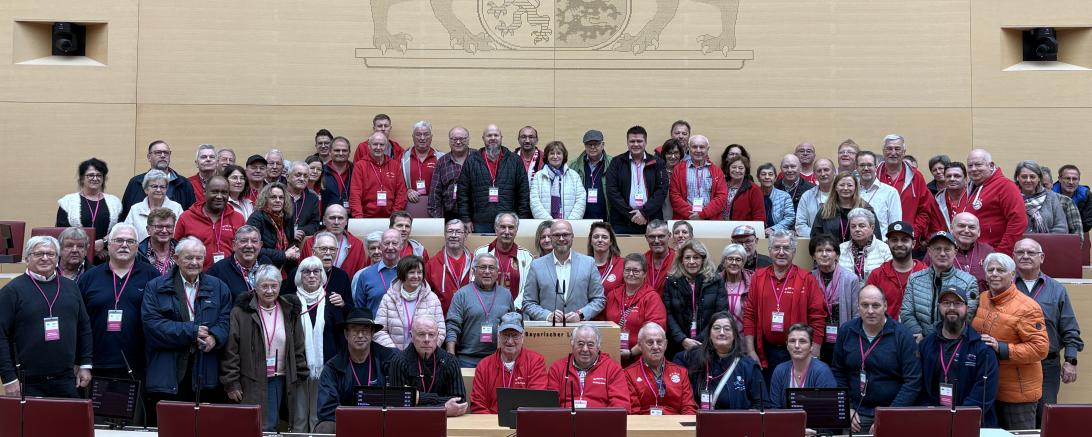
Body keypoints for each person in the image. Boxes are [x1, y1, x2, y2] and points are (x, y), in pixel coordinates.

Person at [142, 238, 232, 426]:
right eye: (189, 257)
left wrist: (215, 337)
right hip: (169, 373)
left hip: (205, 372)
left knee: (202, 428)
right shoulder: (156, 287)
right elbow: (152, 326)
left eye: (199, 258)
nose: (194, 262)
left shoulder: (218, 287)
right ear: (176, 258)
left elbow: (226, 320)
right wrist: (192, 331)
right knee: (170, 428)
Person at [0, 236, 92, 398]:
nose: (45, 258)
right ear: (27, 258)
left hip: (67, 378)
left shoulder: (71, 287)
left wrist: (85, 364)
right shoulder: (11, 291)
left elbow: (84, 328)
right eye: (38, 254)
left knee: (69, 423)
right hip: (27, 381)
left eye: (50, 254)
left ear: (57, 258)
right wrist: (8, 378)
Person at [221, 265, 309, 432]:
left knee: (276, 424)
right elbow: (231, 349)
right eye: (264, 286)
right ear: (255, 287)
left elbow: (298, 345)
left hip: (281, 379)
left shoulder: (289, 310)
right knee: (254, 426)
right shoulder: (241, 312)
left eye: (274, 285)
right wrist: (231, 382)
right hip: (251, 380)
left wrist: (300, 374)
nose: (269, 290)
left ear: (280, 286)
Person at [77, 224, 160, 392]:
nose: (124, 245)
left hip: (139, 364)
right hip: (96, 363)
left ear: (137, 246)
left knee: (136, 417)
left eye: (130, 241)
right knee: (97, 417)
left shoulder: (152, 276)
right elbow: (78, 323)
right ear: (108, 245)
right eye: (119, 240)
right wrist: (81, 362)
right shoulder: (89, 277)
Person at [972, 253, 1049, 430]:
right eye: (990, 270)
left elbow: (1040, 348)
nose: (994, 274)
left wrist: (1002, 348)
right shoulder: (983, 298)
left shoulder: (1027, 307)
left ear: (1012, 275)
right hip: (989, 388)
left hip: (1017, 395)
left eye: (1001, 270)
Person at [1011, 238, 1084, 426]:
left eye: (1031, 252)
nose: (1025, 256)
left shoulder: (1056, 289)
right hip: (1013, 365)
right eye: (1020, 252)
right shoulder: (1005, 287)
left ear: (1042, 257)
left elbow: (1070, 328)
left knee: (1045, 416)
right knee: (1017, 419)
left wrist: (1070, 360)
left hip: (1047, 366)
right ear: (1013, 256)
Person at [831, 285, 922, 435]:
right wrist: (846, 406)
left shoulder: (902, 335)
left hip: (893, 410)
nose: (870, 311)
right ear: (858, 306)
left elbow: (913, 382)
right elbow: (838, 372)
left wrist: (889, 415)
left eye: (876, 305)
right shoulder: (846, 331)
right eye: (865, 305)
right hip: (856, 414)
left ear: (885, 306)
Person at [744, 230, 826, 379]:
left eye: (786, 248)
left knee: (794, 395)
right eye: (776, 248)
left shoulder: (806, 278)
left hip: (799, 352)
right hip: (767, 352)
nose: (781, 252)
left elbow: (817, 317)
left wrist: (815, 349)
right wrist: (750, 351)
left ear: (793, 251)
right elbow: (749, 315)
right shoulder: (758, 277)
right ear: (769, 251)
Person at [917, 286, 999, 427]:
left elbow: (983, 394)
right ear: (938, 307)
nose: (952, 307)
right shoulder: (926, 345)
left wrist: (957, 419)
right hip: (934, 421)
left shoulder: (982, 348)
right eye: (946, 303)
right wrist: (932, 416)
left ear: (967, 308)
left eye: (958, 303)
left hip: (971, 424)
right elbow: (920, 387)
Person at [287, 255, 351, 431]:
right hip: (298, 366)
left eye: (317, 271)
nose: (312, 275)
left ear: (322, 275)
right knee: (299, 416)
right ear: (299, 275)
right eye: (306, 272)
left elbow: (340, 335)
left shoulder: (332, 300)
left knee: (319, 415)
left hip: (326, 367)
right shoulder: (290, 302)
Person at [314, 307, 396, 433]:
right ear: (346, 334)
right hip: (346, 422)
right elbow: (326, 410)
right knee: (324, 427)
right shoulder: (333, 368)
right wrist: (356, 420)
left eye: (365, 330)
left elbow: (400, 398)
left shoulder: (389, 360)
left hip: (381, 419)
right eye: (355, 330)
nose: (360, 335)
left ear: (372, 333)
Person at [674, 312, 767, 410]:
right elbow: (677, 360)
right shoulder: (696, 357)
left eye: (727, 329)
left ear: (735, 335)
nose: (722, 332)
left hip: (736, 423)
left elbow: (762, 404)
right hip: (702, 422)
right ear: (709, 334)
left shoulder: (749, 366)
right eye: (716, 328)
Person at [522, 220, 607, 322]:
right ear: (551, 238)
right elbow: (528, 302)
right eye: (557, 235)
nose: (561, 239)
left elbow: (599, 299)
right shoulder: (536, 265)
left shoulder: (588, 263)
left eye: (565, 234)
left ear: (572, 237)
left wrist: (581, 314)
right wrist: (547, 316)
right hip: (548, 332)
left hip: (580, 332)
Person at [901, 231, 979, 340]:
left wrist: (926, 335)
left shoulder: (969, 281)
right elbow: (906, 313)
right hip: (918, 343)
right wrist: (918, 335)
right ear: (929, 251)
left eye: (947, 249)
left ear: (955, 252)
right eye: (937, 249)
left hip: (952, 344)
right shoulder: (914, 279)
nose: (942, 253)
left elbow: (965, 316)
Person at [387, 316, 468, 416]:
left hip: (445, 422)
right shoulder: (399, 362)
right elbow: (399, 404)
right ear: (411, 336)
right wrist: (443, 408)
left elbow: (460, 402)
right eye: (421, 334)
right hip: (408, 421)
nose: (427, 339)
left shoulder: (450, 361)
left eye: (431, 334)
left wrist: (418, 397)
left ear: (438, 336)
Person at [457, 124, 532, 232]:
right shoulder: (471, 161)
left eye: (496, 135)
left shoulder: (515, 160)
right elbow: (463, 193)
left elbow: (523, 193)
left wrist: (522, 219)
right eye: (489, 135)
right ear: (483, 138)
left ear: (501, 138)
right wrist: (465, 219)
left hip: (508, 223)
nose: (493, 138)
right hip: (479, 222)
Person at [470, 312, 548, 414]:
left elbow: (537, 400)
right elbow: (477, 404)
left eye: (515, 335)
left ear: (523, 337)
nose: (510, 341)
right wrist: (493, 426)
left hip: (524, 424)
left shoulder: (535, 362)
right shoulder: (484, 365)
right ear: (498, 336)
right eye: (506, 335)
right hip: (491, 424)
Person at [662, 240, 729, 358]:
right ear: (681, 260)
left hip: (708, 344)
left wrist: (700, 341)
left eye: (696, 257)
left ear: (703, 259)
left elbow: (720, 314)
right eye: (687, 257)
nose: (691, 262)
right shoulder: (671, 281)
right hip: (678, 345)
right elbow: (668, 314)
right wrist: (682, 339)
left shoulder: (716, 280)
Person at [445, 254, 514, 366]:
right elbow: (452, 326)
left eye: (491, 268)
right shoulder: (461, 294)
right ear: (474, 271)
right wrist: (451, 356)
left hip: (498, 359)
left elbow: (512, 327)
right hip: (467, 359)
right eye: (482, 267)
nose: (487, 271)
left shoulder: (506, 295)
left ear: (497, 272)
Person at [371, 255, 445, 351]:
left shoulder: (432, 298)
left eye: (419, 272)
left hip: (423, 358)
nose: (416, 276)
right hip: (394, 358)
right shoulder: (388, 299)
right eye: (411, 272)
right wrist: (395, 353)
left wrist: (427, 350)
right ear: (402, 274)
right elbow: (379, 331)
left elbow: (441, 331)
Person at [605, 125, 669, 234]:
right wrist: (632, 215)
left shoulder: (658, 163)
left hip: (651, 220)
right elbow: (612, 191)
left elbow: (661, 190)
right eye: (632, 141)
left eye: (639, 141)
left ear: (645, 142)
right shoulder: (616, 162)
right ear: (627, 142)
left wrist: (644, 213)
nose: (635, 144)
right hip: (622, 221)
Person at [547, 324, 629, 409]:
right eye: (580, 344)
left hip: (599, 420)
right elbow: (550, 404)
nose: (585, 349)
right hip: (565, 419)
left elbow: (621, 405)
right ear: (572, 344)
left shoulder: (613, 369)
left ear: (598, 346)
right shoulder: (557, 368)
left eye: (590, 344)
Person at [876, 135, 941, 241]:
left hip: (908, 240)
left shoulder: (916, 176)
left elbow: (925, 211)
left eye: (897, 149)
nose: (893, 152)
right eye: (889, 148)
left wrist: (912, 232)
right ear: (883, 151)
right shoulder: (874, 176)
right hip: (878, 242)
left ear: (904, 152)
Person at [606, 254, 667, 366]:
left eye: (636, 271)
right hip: (612, 357)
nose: (631, 274)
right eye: (627, 270)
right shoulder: (612, 295)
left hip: (640, 359)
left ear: (644, 274)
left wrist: (631, 352)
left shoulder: (652, 298)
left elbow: (655, 334)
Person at [174, 175, 246, 270]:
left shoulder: (238, 218)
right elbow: (176, 248)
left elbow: (243, 248)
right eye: (215, 191)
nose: (219, 196)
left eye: (224, 192)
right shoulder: (186, 217)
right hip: (196, 275)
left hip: (229, 275)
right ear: (205, 192)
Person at [57, 158, 123, 261]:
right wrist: (90, 247)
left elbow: (120, 229)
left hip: (106, 257)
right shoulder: (67, 202)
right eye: (90, 175)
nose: (95, 178)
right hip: (75, 257)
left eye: (99, 175)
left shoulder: (115, 202)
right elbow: (62, 232)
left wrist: (103, 243)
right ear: (82, 178)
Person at [625, 323, 698, 415]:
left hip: (675, 426)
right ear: (639, 346)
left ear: (666, 344)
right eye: (650, 342)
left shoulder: (681, 372)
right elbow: (633, 412)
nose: (655, 347)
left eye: (659, 342)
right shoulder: (628, 374)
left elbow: (688, 407)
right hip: (644, 426)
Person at [966, 149, 1027, 254]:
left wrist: (1001, 253)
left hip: (994, 255)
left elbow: (1018, 222)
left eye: (978, 165)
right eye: (970, 166)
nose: (973, 169)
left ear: (991, 165)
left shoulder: (1005, 186)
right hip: (973, 254)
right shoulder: (970, 188)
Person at [811, 234, 861, 361]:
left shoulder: (851, 279)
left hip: (843, 337)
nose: (824, 254)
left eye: (828, 250)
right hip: (816, 338)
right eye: (819, 250)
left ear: (837, 255)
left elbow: (856, 314)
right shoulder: (809, 278)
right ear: (813, 256)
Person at [866, 221, 928, 319]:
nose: (899, 244)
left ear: (913, 244)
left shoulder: (926, 272)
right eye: (894, 240)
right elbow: (868, 307)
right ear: (887, 243)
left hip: (918, 333)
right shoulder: (877, 275)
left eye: (904, 240)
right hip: (885, 331)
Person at [121, 140, 196, 220]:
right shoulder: (135, 183)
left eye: (166, 153)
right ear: (149, 157)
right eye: (158, 152)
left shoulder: (184, 184)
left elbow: (192, 217)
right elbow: (124, 215)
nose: (163, 155)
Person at [473, 212, 535, 307]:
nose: (507, 232)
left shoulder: (526, 257)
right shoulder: (481, 252)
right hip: (485, 310)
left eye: (511, 227)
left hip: (516, 311)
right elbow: (474, 284)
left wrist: (513, 308)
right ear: (496, 229)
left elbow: (528, 289)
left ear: (516, 230)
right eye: (503, 227)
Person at [769, 324, 837, 409]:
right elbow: (775, 409)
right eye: (792, 341)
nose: (796, 346)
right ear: (787, 345)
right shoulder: (779, 370)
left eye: (802, 341)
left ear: (811, 346)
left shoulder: (822, 371)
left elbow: (826, 410)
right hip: (785, 421)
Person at [668, 134, 728, 220]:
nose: (698, 150)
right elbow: (674, 196)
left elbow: (721, 197)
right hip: (684, 220)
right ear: (689, 148)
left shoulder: (717, 171)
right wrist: (693, 214)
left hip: (710, 220)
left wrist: (703, 214)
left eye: (702, 147)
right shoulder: (678, 169)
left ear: (707, 149)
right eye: (694, 147)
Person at [810, 172, 880, 245]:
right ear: (835, 187)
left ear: (855, 187)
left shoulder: (866, 209)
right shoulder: (825, 210)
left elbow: (876, 238)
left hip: (860, 254)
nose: (845, 188)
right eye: (842, 185)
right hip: (831, 254)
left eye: (849, 185)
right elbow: (816, 238)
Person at [350, 132, 408, 218]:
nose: (378, 147)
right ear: (369, 146)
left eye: (381, 145)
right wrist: (359, 218)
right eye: (375, 144)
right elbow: (355, 194)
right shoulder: (360, 166)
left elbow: (401, 193)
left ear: (386, 146)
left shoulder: (395, 165)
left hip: (391, 218)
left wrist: (394, 216)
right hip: (366, 218)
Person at [299, 205, 367, 277]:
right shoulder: (310, 243)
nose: (336, 222)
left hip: (346, 287)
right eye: (332, 218)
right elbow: (303, 271)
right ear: (324, 220)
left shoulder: (357, 245)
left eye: (340, 218)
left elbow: (361, 275)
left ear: (346, 221)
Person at [247, 183, 302, 268]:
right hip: (263, 265)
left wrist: (294, 250)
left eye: (281, 197)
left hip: (284, 264)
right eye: (273, 197)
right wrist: (283, 255)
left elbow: (290, 241)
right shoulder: (256, 218)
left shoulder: (287, 216)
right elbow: (253, 248)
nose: (278, 200)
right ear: (265, 200)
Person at [206, 225, 270, 298]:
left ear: (260, 245)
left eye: (254, 241)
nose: (249, 245)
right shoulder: (218, 270)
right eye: (244, 241)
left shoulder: (266, 263)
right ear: (234, 245)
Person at [933, 212, 993, 290]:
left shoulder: (987, 251)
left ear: (979, 232)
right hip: (947, 300)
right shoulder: (937, 250)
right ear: (951, 229)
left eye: (972, 227)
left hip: (981, 300)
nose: (966, 230)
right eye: (961, 226)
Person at [425, 219, 473, 313]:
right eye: (450, 231)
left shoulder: (475, 262)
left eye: (458, 232)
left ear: (465, 235)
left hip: (470, 321)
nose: (453, 235)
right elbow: (425, 295)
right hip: (442, 320)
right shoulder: (432, 264)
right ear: (445, 234)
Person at [530, 141, 586, 219]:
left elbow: (581, 200)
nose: (555, 156)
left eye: (559, 153)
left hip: (570, 225)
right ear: (547, 156)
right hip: (546, 227)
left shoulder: (574, 176)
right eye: (552, 153)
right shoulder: (538, 176)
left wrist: (570, 222)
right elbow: (534, 202)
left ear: (564, 156)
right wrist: (548, 223)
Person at [125, 169, 184, 241]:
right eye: (154, 186)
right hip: (140, 251)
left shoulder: (176, 208)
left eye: (162, 187)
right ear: (146, 189)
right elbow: (126, 234)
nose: (158, 190)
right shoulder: (135, 209)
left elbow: (182, 234)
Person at [352, 229, 402, 314]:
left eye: (394, 243)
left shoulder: (410, 271)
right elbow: (359, 309)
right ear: (382, 246)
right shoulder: (365, 275)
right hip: (375, 325)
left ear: (401, 246)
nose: (390, 247)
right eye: (386, 243)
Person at [402, 121, 445, 217]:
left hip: (436, 207)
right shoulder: (402, 158)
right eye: (418, 134)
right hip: (409, 207)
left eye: (426, 134)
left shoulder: (441, 158)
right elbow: (396, 184)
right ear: (413, 136)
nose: (422, 138)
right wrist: (407, 191)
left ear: (431, 137)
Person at [428, 126, 471, 221]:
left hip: (475, 216)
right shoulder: (442, 162)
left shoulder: (478, 158)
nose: (458, 142)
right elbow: (434, 195)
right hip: (451, 216)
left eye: (462, 139)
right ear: (449, 141)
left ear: (468, 140)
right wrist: (438, 221)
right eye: (454, 139)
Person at [1015, 160, 1069, 234]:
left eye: (1032, 177)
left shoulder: (1051, 197)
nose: (1028, 180)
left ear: (1039, 178)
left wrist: (1046, 241)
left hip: (1048, 243)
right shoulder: (1011, 197)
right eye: (1024, 177)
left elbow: (1061, 226)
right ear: (1018, 177)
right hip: (1018, 243)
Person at [838, 208, 892, 281]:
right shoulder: (841, 249)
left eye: (862, 226)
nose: (857, 229)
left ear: (872, 228)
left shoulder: (884, 249)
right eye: (853, 226)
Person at [856, 150, 903, 233]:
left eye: (869, 165)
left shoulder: (890, 192)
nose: (866, 168)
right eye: (862, 165)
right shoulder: (852, 191)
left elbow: (895, 224)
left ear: (876, 167)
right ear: (856, 167)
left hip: (882, 243)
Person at [571, 129, 612, 221]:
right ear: (585, 146)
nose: (592, 147)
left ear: (603, 145)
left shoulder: (613, 163)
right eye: (589, 144)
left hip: (606, 218)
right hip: (580, 218)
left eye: (596, 144)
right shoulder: (573, 165)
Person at [794, 158, 835, 236]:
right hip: (815, 243)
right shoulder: (807, 196)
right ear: (815, 175)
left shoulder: (843, 194)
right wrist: (819, 237)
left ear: (834, 172)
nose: (823, 174)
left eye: (826, 170)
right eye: (819, 171)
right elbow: (800, 226)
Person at [284, 161, 322, 240]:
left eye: (305, 176)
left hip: (302, 241)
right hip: (280, 241)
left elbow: (314, 224)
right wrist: (290, 232)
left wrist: (301, 231)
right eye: (298, 175)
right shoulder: (278, 196)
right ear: (287, 177)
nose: (302, 179)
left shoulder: (312, 198)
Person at [722, 155, 765, 221]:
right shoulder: (720, 184)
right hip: (719, 227)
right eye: (733, 167)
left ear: (746, 171)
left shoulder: (754, 189)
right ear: (728, 169)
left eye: (741, 168)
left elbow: (759, 216)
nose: (737, 170)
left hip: (742, 229)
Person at [588, 222, 625, 297]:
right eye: (596, 237)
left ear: (611, 241)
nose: (600, 240)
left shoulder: (623, 264)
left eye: (604, 237)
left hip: (614, 308)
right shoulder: (583, 265)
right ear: (591, 241)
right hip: (588, 308)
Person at [756, 162, 795, 234]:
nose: (767, 177)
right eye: (763, 174)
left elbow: (790, 218)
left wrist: (774, 229)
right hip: (757, 234)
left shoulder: (785, 196)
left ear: (775, 178)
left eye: (770, 174)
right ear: (758, 178)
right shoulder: (753, 195)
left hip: (778, 234)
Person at [138, 207, 179, 275]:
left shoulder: (182, 252)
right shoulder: (137, 254)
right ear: (148, 229)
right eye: (159, 227)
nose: (164, 231)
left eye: (168, 226)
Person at [1053, 164, 1092, 234]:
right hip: (1054, 233)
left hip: (1080, 232)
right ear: (1060, 179)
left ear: (1079, 180)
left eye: (1074, 179)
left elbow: (1087, 224)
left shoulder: (1086, 194)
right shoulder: (1051, 194)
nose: (1071, 182)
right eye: (1067, 178)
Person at [719, 244, 751, 328]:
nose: (734, 263)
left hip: (745, 337)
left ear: (743, 263)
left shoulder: (752, 282)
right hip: (722, 335)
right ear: (724, 262)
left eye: (738, 259)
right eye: (730, 259)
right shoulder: (715, 282)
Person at [321, 136, 355, 212]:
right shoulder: (321, 171)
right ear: (329, 152)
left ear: (349, 153)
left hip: (351, 218)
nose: (341, 153)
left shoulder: (356, 171)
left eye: (344, 150)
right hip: (328, 219)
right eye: (337, 150)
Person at [934, 161, 970, 232]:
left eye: (957, 176)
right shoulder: (937, 201)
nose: (952, 179)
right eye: (948, 176)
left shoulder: (974, 198)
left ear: (966, 180)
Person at [657, 138, 687, 221]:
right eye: (669, 153)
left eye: (676, 153)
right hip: (662, 216)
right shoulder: (658, 172)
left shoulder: (687, 171)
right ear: (664, 154)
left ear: (681, 154)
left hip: (683, 216)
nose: (673, 156)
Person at [643, 220, 675, 290]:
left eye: (661, 236)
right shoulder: (641, 261)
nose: (656, 241)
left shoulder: (678, 260)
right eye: (652, 237)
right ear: (646, 238)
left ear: (669, 236)